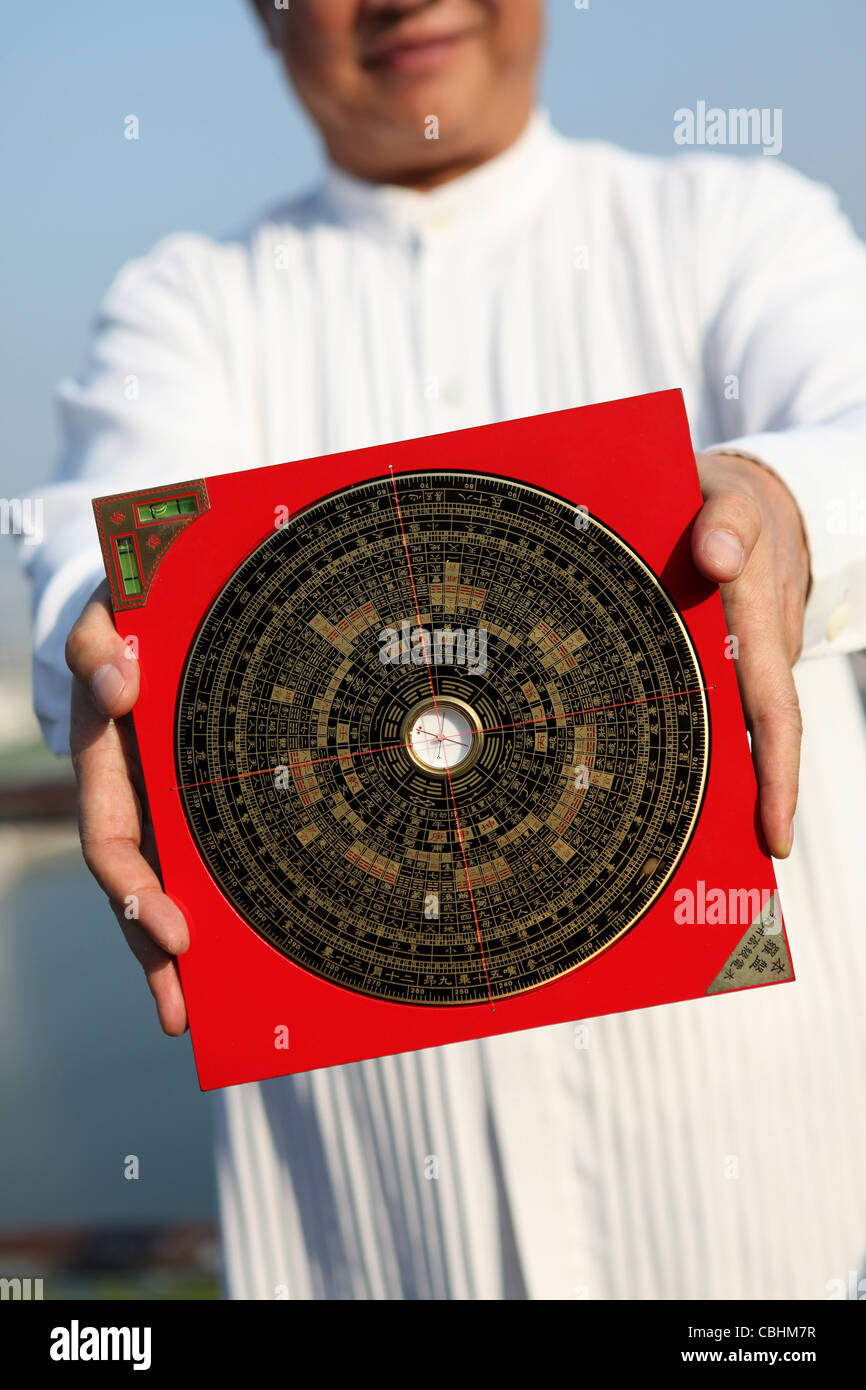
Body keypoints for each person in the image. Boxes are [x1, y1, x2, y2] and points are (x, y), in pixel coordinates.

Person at [22, 0, 866, 1299]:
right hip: (367, 1256)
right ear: (262, 16)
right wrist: (99, 621)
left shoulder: (739, 224)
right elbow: (100, 527)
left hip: (768, 1246)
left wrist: (786, 501)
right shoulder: (187, 303)